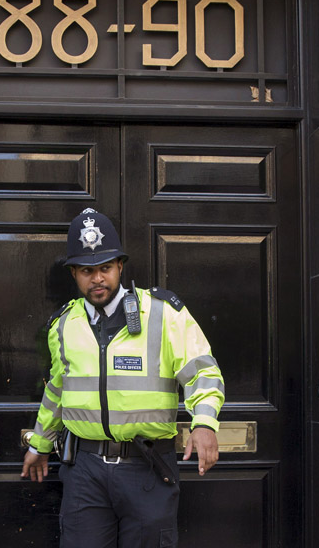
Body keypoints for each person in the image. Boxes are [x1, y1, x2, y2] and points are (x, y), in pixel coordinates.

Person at [21, 208, 225, 547]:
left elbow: (203, 370)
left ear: (119, 267)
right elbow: (58, 389)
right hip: (84, 471)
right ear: (74, 273)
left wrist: (204, 424)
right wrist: (40, 444)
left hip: (146, 467)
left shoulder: (162, 313)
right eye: (88, 270)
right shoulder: (63, 325)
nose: (98, 278)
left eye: (105, 268)